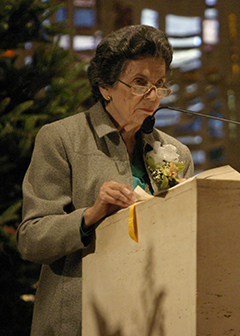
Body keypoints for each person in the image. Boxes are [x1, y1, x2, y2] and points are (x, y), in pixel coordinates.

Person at [17, 25, 194, 335]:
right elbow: (31, 239)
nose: (153, 96)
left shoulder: (176, 153)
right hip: (78, 318)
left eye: (160, 84)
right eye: (140, 83)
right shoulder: (62, 139)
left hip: (152, 316)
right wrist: (90, 215)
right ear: (105, 87)